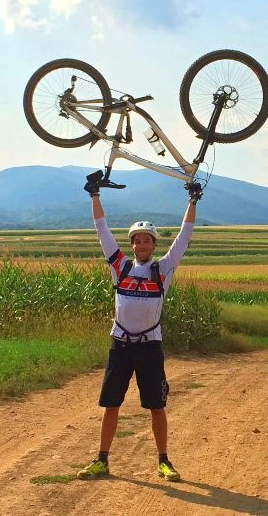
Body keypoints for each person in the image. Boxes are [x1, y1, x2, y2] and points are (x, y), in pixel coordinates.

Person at [77, 173, 203, 481]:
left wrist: (192, 201)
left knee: (156, 406)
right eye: (137, 240)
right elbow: (102, 230)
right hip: (120, 345)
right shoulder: (120, 267)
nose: (142, 244)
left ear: (153, 244)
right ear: (132, 244)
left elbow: (184, 237)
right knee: (111, 405)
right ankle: (101, 460)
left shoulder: (162, 270)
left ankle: (164, 461)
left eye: (147, 240)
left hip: (149, 347)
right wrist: (94, 195)